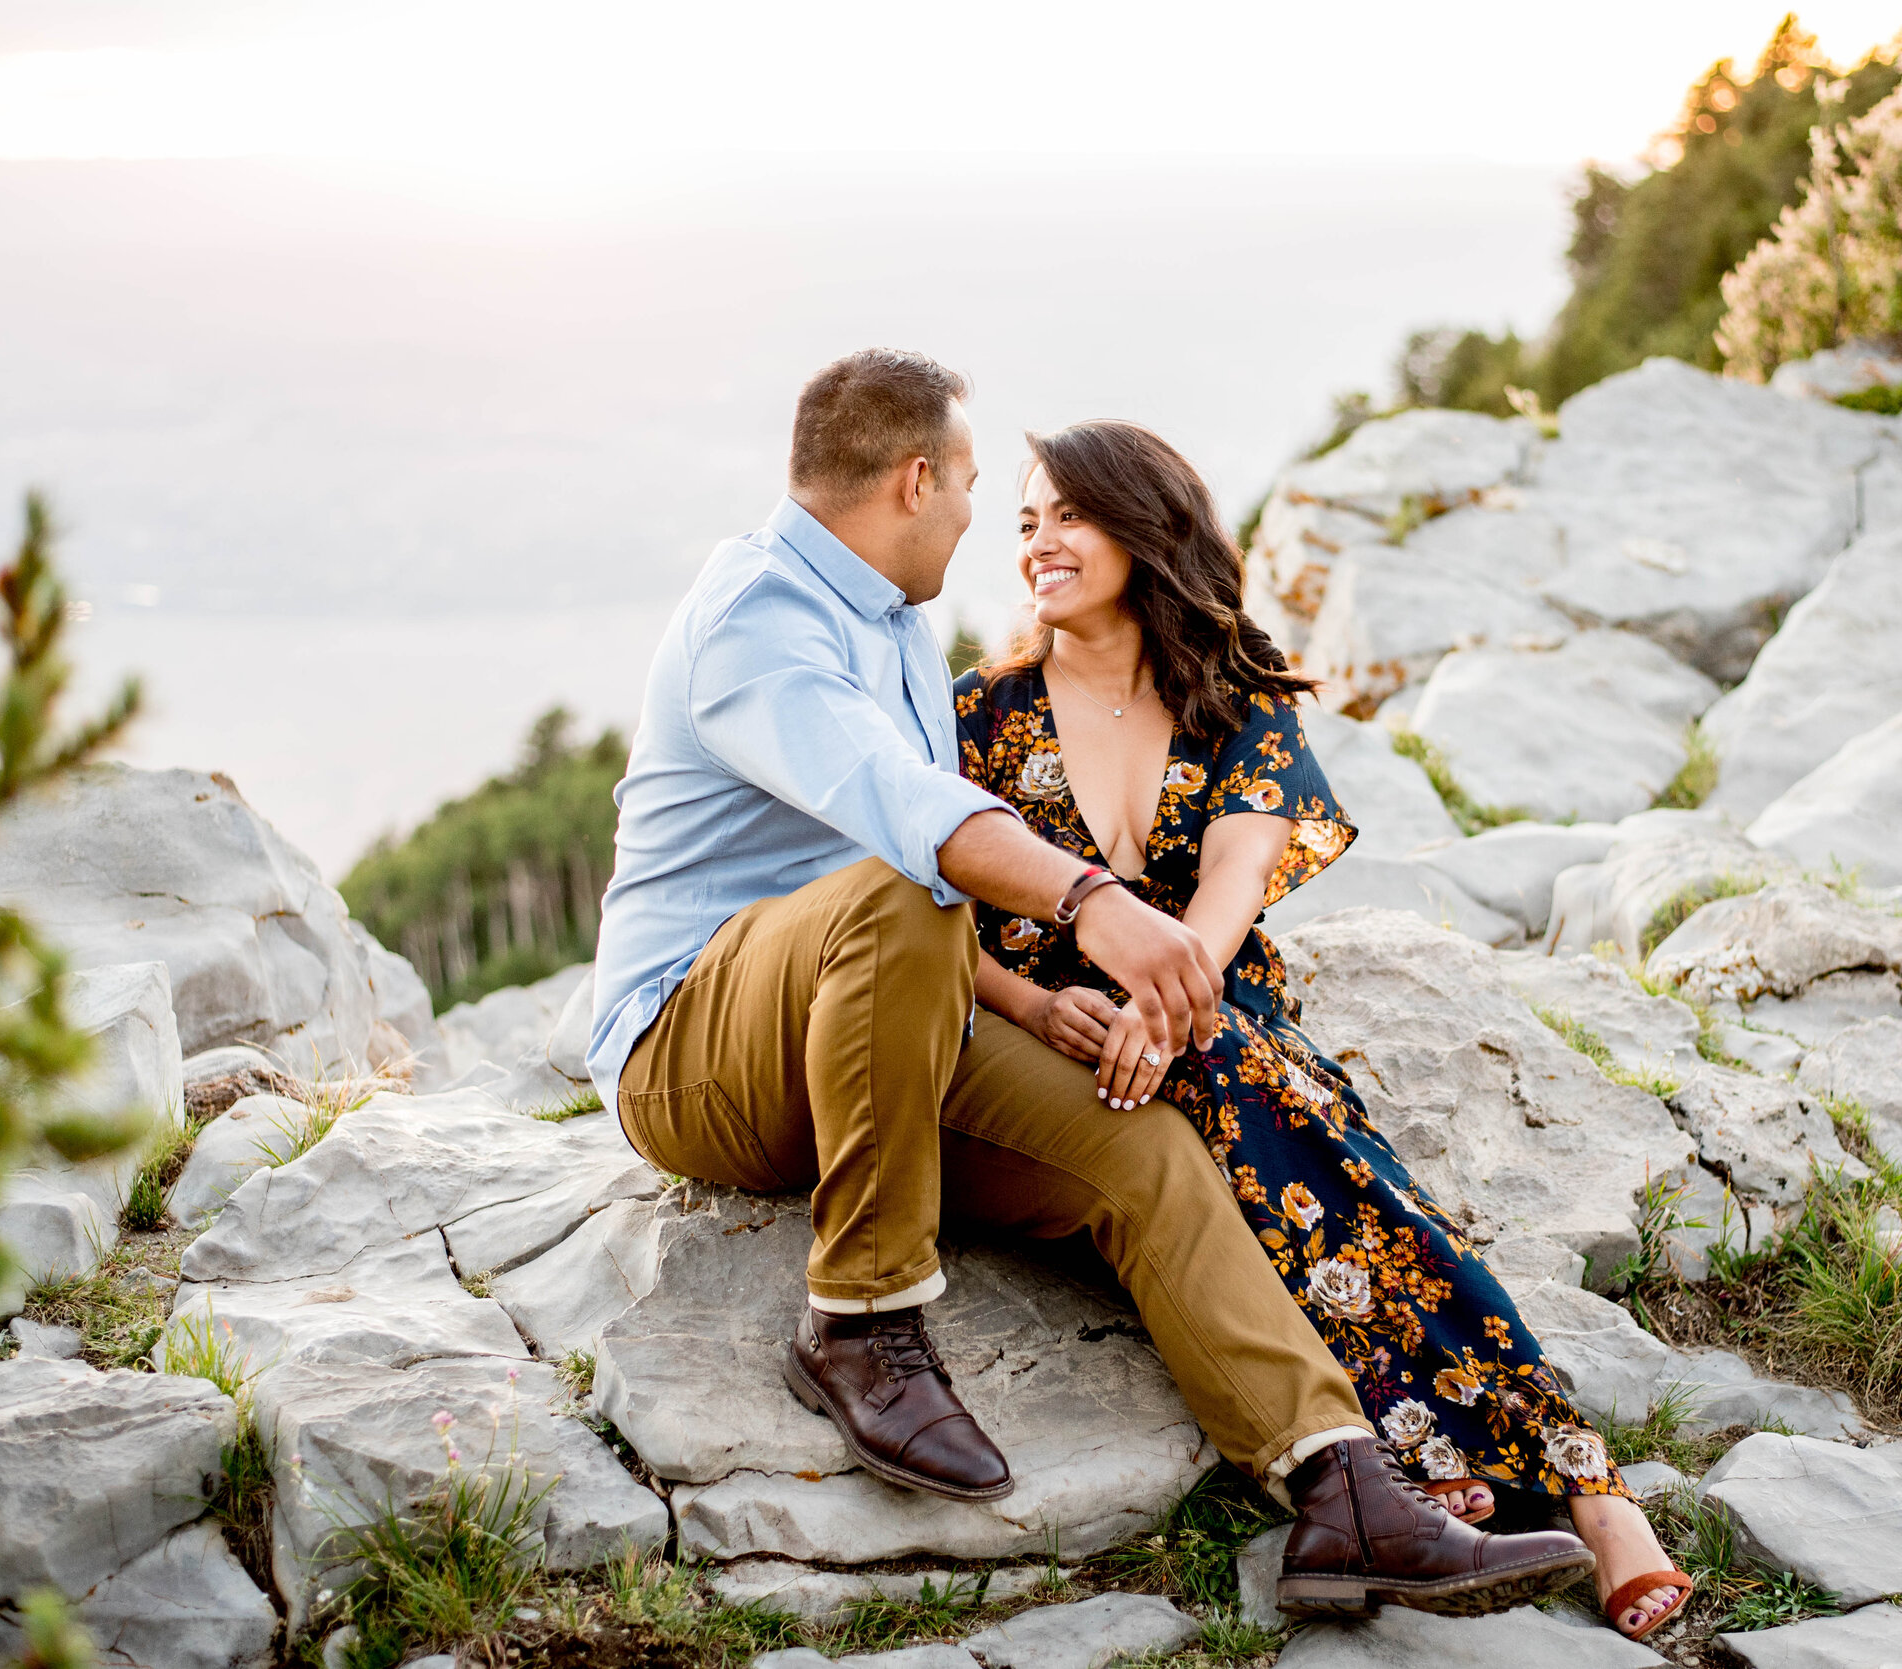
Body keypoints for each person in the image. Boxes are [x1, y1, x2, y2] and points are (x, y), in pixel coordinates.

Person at [586, 349, 1595, 1619]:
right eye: (970, 492)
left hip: (881, 1036)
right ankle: (861, 1317)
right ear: (913, 480)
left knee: (1142, 1148)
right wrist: (1091, 901)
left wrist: (1049, 992)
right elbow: (906, 817)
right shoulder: (757, 618)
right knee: (902, 881)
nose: (982, 526)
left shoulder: (896, 625)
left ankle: (1337, 1488)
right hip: (695, 1055)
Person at [950, 419, 1694, 1643]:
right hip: (1042, 1032)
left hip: (1211, 1025)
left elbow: (1233, 885)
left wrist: (1162, 998)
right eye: (1024, 520)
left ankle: (1497, 1484)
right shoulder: (976, 713)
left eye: (1066, 514)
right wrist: (1038, 1003)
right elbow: (922, 920)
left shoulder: (1228, 691)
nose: (1037, 542)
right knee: (1269, 1106)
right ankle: (1571, 1485)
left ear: (1146, 525)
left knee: (1241, 1076)